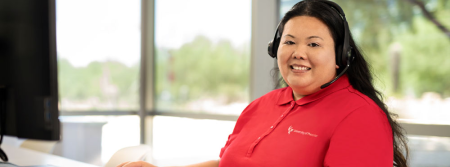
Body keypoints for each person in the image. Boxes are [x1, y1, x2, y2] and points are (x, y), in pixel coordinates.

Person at [117, 0, 409, 166]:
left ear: (340, 56)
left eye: (314, 44)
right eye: (289, 41)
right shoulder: (262, 106)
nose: (299, 53)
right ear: (276, 49)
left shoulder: (360, 115)